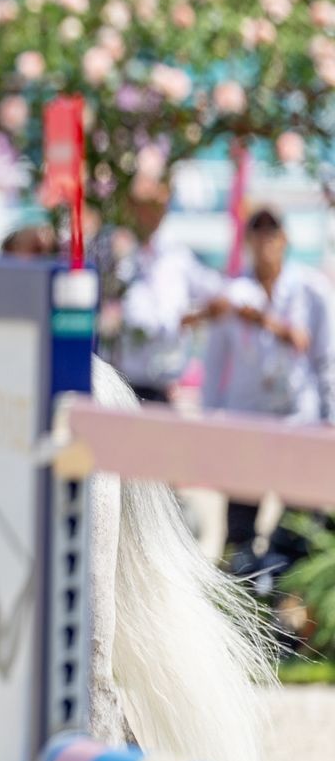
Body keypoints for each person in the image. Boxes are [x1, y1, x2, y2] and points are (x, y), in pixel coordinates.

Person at [200, 207, 335, 572]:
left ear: (285, 239)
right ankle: (241, 607)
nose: (265, 241)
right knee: (240, 529)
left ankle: (288, 613)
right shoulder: (232, 294)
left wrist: (329, 419)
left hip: (299, 421)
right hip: (248, 420)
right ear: (248, 241)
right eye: (258, 233)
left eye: (272, 232)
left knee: (300, 528)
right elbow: (213, 365)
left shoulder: (310, 290)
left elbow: (326, 359)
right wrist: (208, 421)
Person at [104, 181, 222, 403]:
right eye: (146, 205)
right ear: (131, 206)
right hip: (124, 385)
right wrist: (190, 318)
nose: (153, 213)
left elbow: (212, 286)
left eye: (159, 205)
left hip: (163, 388)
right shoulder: (116, 252)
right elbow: (141, 322)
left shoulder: (174, 254)